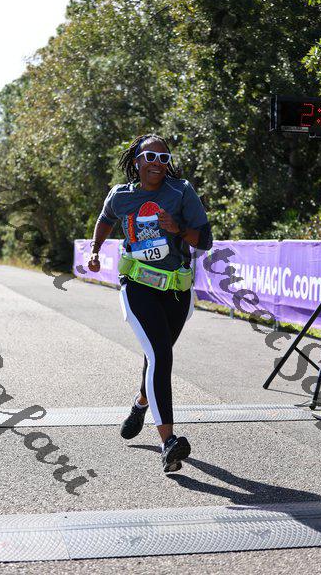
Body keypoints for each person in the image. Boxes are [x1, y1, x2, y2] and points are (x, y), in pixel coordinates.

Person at [88, 133, 213, 473]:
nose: (157, 163)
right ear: (137, 162)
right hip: (138, 285)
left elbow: (205, 240)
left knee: (157, 354)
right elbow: (105, 219)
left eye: (164, 158)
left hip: (176, 291)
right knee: (161, 355)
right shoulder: (121, 195)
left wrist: (178, 228)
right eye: (150, 157)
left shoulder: (181, 191)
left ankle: (142, 402)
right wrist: (96, 250)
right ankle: (168, 443)